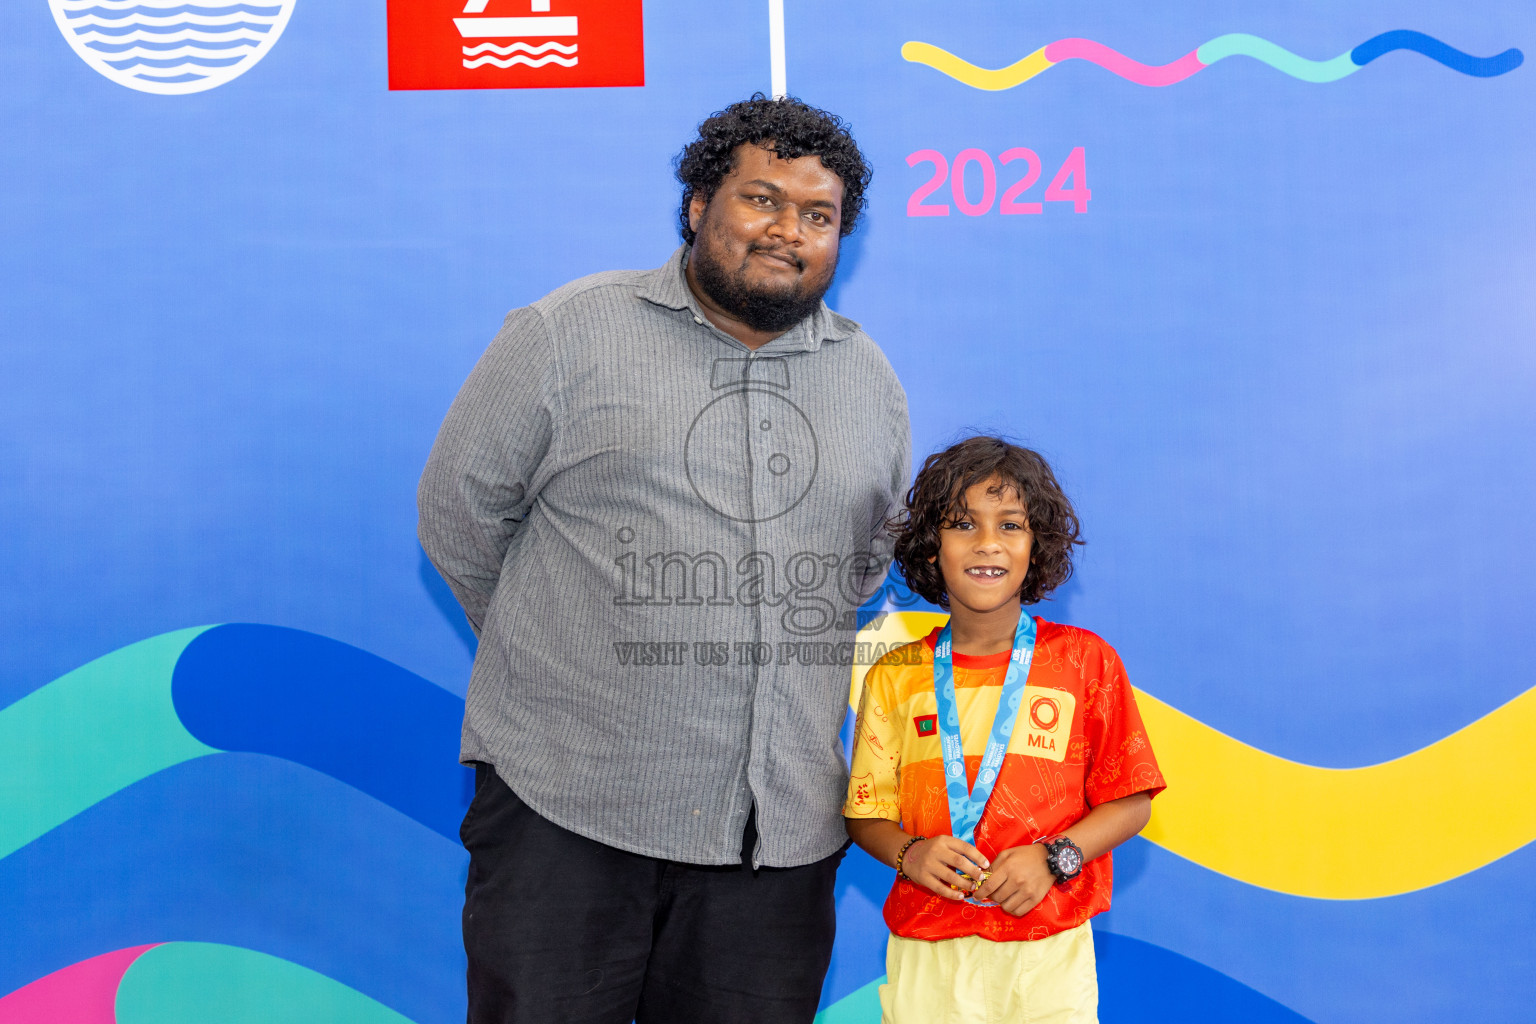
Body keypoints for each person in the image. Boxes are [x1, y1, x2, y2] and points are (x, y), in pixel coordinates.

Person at [418, 95, 910, 1024]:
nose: (788, 232)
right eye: (762, 200)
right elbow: (460, 516)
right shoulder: (566, 336)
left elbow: (859, 568)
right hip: (569, 813)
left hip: (778, 840)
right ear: (697, 206)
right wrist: (570, 654)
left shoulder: (868, 379)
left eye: (818, 216)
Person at [844, 436, 1164, 1023]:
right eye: (963, 524)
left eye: (1010, 525)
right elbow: (866, 813)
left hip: (1048, 949)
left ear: (1036, 545)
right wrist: (910, 854)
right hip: (926, 948)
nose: (987, 543)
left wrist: (1054, 859)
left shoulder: (1085, 662)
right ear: (929, 546)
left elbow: (1132, 801)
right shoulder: (896, 676)